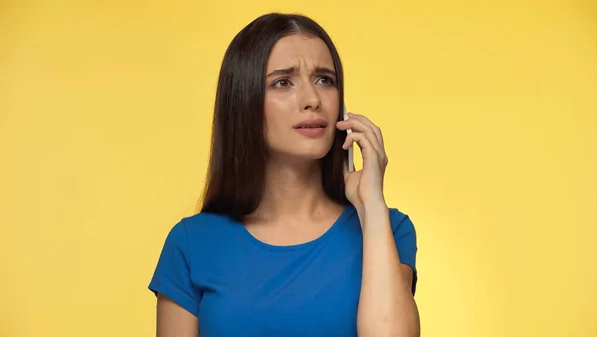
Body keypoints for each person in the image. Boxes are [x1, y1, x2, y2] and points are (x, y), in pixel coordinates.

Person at [148, 12, 420, 337]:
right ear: (243, 102)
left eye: (324, 80)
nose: (312, 100)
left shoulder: (388, 229)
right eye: (283, 82)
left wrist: (371, 204)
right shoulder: (191, 244)